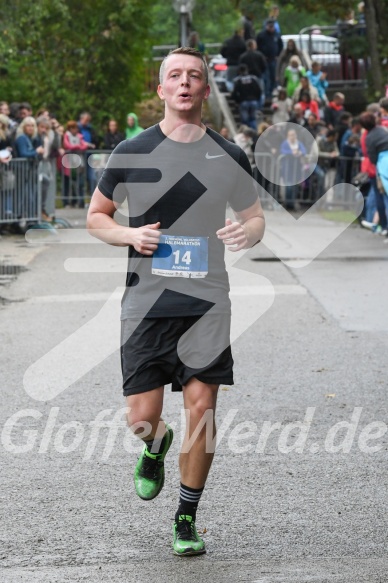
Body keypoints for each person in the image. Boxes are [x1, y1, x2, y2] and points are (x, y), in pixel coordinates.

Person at [86, 46, 265, 556]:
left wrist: (245, 233)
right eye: (175, 76)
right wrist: (129, 236)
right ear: (161, 89)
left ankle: (186, 517)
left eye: (194, 76)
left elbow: (255, 216)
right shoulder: (130, 152)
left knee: (202, 409)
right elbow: (97, 216)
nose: (185, 83)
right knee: (141, 417)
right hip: (147, 302)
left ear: (205, 91)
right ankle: (155, 445)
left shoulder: (228, 154)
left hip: (207, 300)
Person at [279, 127, 307, 209]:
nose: (292, 136)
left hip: (297, 167)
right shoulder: (285, 143)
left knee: (295, 185)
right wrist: (292, 153)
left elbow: (304, 151)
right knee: (288, 185)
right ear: (288, 136)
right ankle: (287, 203)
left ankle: (292, 203)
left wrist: (299, 152)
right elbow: (283, 151)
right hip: (287, 167)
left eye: (294, 135)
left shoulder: (299, 143)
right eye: (291, 135)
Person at [256, 18, 283, 100]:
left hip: (273, 59)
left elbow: (280, 46)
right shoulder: (261, 35)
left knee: (273, 77)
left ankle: (271, 92)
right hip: (264, 60)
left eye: (272, 26)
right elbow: (257, 46)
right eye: (269, 26)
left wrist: (278, 55)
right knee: (265, 77)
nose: (271, 28)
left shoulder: (276, 35)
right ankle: (267, 93)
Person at [231, 64, 263, 130]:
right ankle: (254, 134)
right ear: (247, 70)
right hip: (253, 101)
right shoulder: (253, 78)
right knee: (253, 119)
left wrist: (237, 101)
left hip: (243, 102)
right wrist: (256, 99)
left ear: (239, 71)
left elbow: (234, 93)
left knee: (245, 121)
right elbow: (259, 90)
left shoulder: (238, 80)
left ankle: (246, 133)